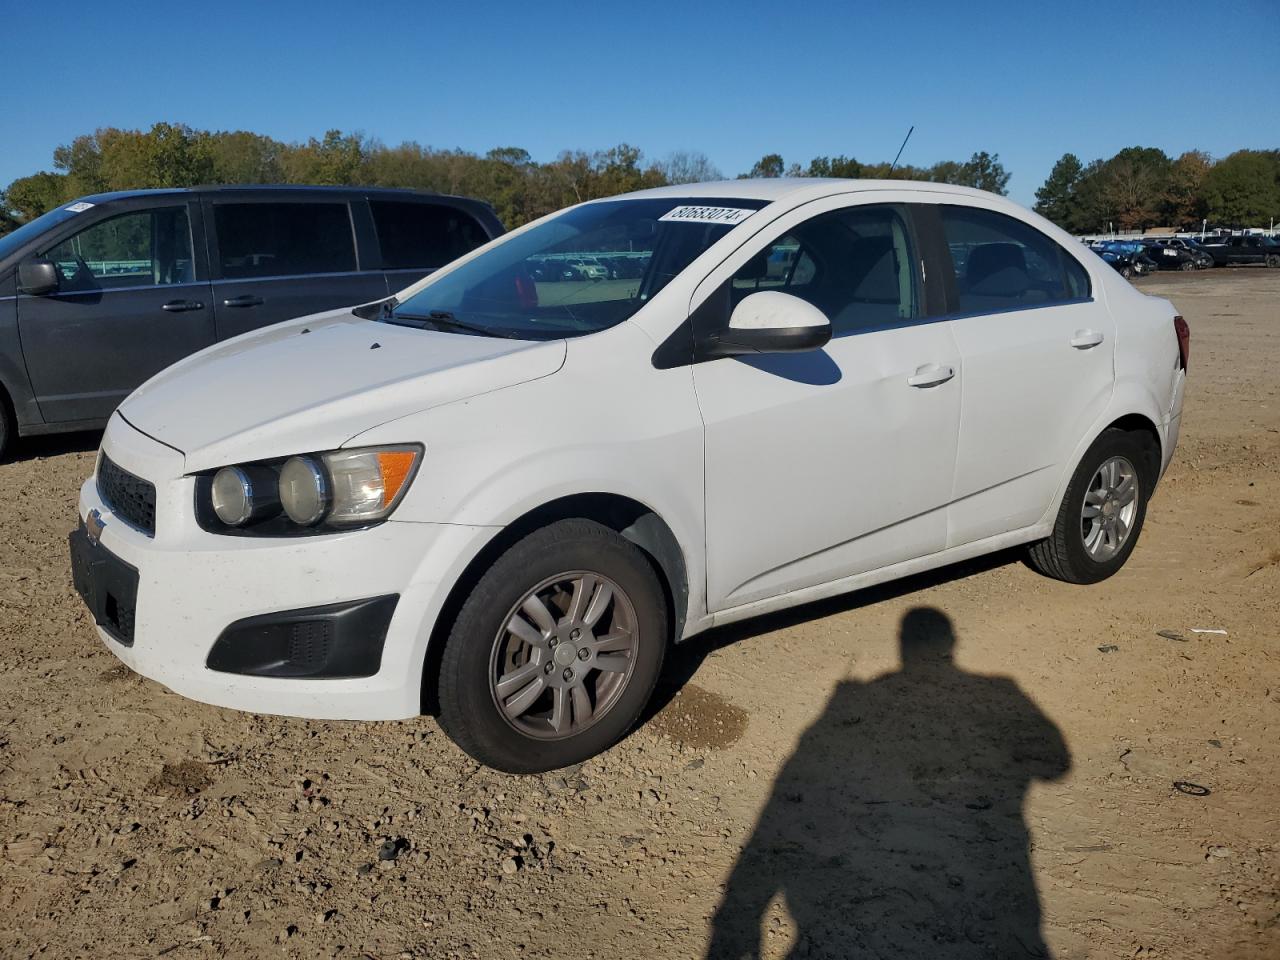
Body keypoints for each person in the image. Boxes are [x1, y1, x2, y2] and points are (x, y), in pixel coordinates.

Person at [708, 607, 1070, 959]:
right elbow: (1057, 765)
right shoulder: (1000, 691)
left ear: (902, 644)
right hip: (991, 881)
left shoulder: (867, 696)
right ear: (951, 643)